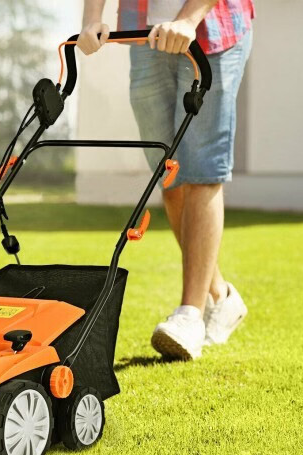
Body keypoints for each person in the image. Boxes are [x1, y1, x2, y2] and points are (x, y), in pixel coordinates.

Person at [77, 0, 255, 361]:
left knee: (202, 171)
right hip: (146, 35)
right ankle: (220, 296)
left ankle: (190, 315)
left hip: (212, 32)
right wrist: (92, 18)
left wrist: (188, 19)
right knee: (169, 175)